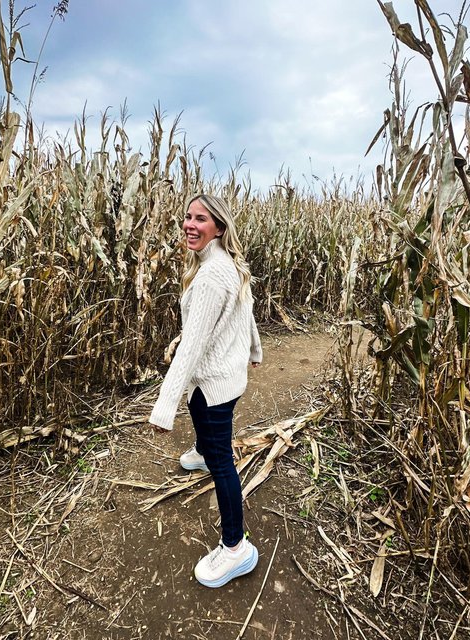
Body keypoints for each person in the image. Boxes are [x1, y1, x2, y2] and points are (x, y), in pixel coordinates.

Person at [148, 193, 263, 588]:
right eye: (187, 217)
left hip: (214, 379)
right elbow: (246, 312)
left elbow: (192, 345)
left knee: (223, 463)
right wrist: (255, 350)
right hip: (226, 377)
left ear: (219, 226)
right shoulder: (226, 264)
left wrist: (164, 406)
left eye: (200, 219)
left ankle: (236, 549)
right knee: (206, 423)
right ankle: (201, 451)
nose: (189, 225)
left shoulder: (212, 274)